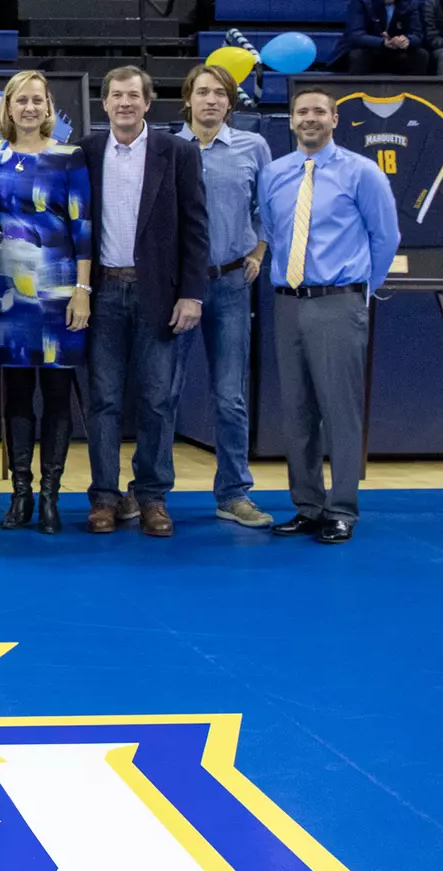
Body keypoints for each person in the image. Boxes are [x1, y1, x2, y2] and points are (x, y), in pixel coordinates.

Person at [259, 87, 400, 545]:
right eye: (303, 112)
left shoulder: (363, 173)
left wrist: (360, 292)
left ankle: (342, 509)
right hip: (287, 301)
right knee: (297, 411)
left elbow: (386, 238)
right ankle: (308, 506)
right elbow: (275, 233)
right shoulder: (275, 173)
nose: (310, 119)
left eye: (320, 111)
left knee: (340, 411)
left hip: (339, 301)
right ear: (291, 120)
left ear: (335, 119)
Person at [82, 67, 209, 538]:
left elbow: (196, 228)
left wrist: (191, 293)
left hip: (158, 294)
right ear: (105, 102)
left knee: (157, 400)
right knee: (104, 401)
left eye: (133, 95)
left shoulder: (176, 152)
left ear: (148, 102)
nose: (125, 103)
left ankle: (152, 496)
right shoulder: (88, 153)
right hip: (103, 293)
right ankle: (103, 497)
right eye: (116, 95)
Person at [0, 70, 92, 535]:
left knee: (55, 395)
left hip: (58, 290)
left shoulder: (70, 157)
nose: (29, 108)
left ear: (49, 107)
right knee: (16, 397)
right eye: (20, 100)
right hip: (8, 292)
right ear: (7, 108)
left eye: (37, 100)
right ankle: (20, 494)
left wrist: (83, 292)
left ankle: (51, 495)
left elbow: (83, 228)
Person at [175, 64, 274, 530]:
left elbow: (269, 209)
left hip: (232, 284)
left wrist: (258, 250)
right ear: (188, 99)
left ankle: (234, 493)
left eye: (220, 93)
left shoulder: (253, 147)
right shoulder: (169, 149)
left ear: (230, 103)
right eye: (202, 92)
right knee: (162, 394)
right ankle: (151, 492)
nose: (211, 100)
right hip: (178, 289)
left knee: (230, 397)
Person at [337, 0, 434, 75]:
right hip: (369, 50)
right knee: (357, 55)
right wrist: (383, 42)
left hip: (397, 51)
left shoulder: (410, 3)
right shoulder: (361, 2)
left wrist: (407, 40)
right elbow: (355, 35)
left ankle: (415, 96)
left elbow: (417, 34)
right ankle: (356, 95)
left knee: (421, 55)